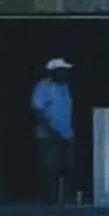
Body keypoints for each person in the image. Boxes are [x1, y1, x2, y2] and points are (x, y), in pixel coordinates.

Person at [32, 58, 75, 205]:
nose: (65, 74)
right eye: (62, 71)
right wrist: (51, 130)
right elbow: (38, 112)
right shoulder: (42, 87)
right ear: (53, 72)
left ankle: (65, 198)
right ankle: (50, 199)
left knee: (68, 166)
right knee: (50, 168)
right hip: (48, 135)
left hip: (67, 133)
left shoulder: (65, 87)